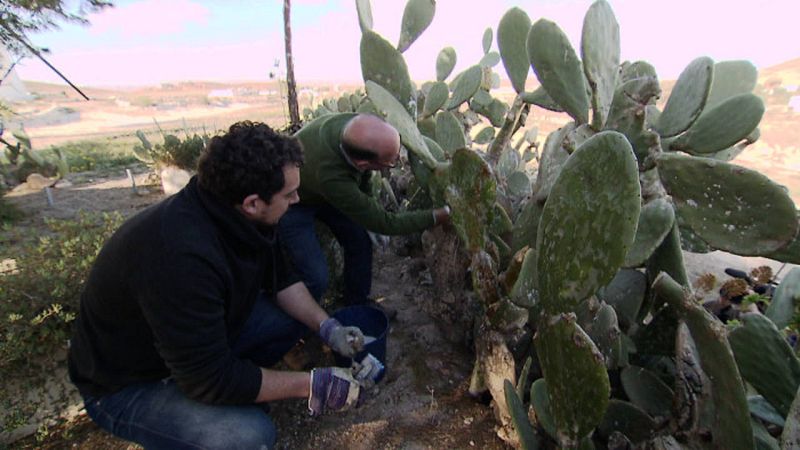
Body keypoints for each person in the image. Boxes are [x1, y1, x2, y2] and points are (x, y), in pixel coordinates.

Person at [68, 121, 376, 450]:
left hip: (191, 346)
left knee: (296, 316)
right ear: (253, 202)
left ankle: (235, 389)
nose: (297, 199)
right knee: (249, 436)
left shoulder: (236, 211)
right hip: (128, 384)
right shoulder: (180, 256)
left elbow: (282, 280)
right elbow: (207, 378)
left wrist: (328, 327)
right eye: (289, 194)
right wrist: (313, 385)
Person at [279, 113, 450, 316]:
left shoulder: (357, 128)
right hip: (293, 202)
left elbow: (366, 175)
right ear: (361, 162)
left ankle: (357, 306)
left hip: (324, 189)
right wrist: (439, 215)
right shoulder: (332, 177)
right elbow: (387, 223)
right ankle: (307, 318)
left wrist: (369, 210)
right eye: (390, 163)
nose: (395, 162)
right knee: (317, 275)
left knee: (360, 241)